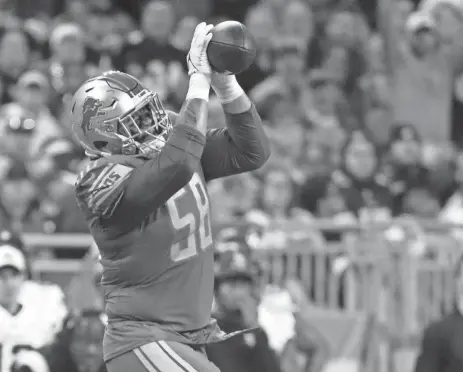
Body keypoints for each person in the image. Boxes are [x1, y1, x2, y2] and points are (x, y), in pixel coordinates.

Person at [72, 22, 270, 372]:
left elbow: (251, 151)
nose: (153, 124)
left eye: (149, 111)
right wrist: (198, 80)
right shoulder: (98, 182)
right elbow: (177, 164)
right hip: (142, 339)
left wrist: (225, 84)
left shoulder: (171, 142)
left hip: (185, 338)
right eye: (137, 120)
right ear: (105, 141)